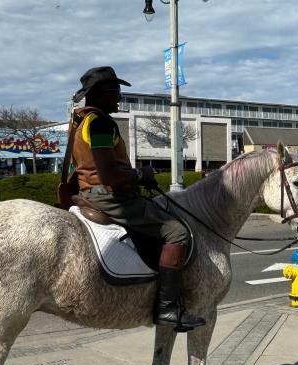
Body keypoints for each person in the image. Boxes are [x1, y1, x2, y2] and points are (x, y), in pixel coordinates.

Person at [70, 66, 205, 332]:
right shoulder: (99, 123)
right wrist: (140, 175)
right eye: (115, 92)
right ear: (99, 94)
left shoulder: (81, 121)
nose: (119, 98)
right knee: (177, 232)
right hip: (107, 195)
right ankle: (167, 308)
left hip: (90, 192)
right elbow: (108, 175)